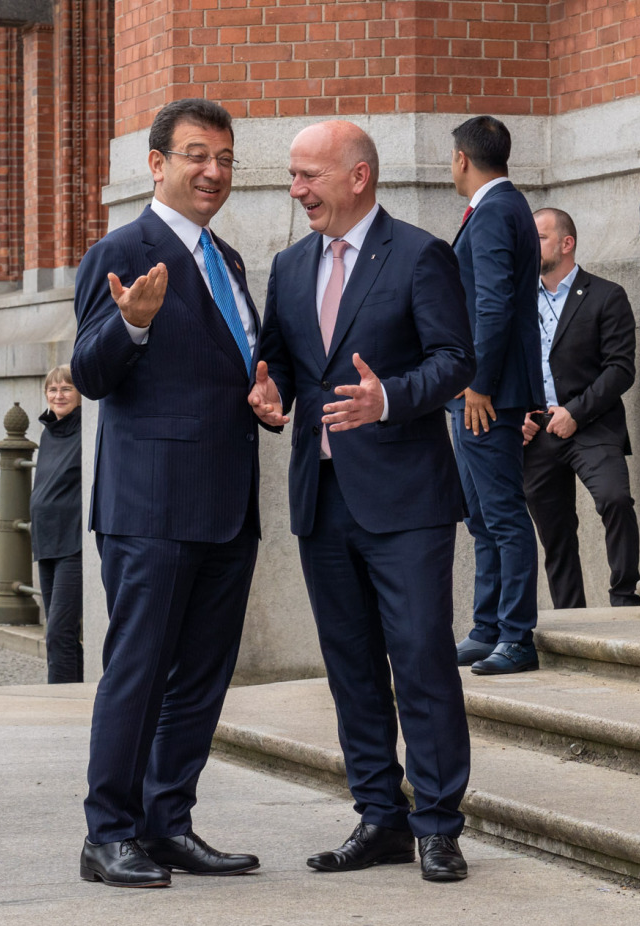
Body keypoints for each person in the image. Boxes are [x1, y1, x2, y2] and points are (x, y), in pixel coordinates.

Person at [253, 121, 475, 882]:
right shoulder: (286, 267)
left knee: (420, 660)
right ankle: (380, 816)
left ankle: (440, 823)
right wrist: (268, 387)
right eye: (292, 175)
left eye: (309, 175)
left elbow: (455, 360)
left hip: (406, 501)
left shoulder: (419, 255)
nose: (296, 190)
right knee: (350, 667)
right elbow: (280, 359)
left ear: (358, 177)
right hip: (323, 500)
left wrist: (391, 399)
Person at [71, 98, 262, 888]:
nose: (212, 172)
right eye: (196, 156)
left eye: (223, 158)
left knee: (202, 676)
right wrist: (132, 326)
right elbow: (88, 373)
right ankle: (107, 834)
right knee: (140, 670)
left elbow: (232, 367)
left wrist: (267, 390)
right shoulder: (122, 248)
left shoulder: (234, 261)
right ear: (157, 164)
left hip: (227, 505)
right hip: (150, 510)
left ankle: (167, 822)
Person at [445, 115, 544, 676]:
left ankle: (516, 635)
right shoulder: (508, 207)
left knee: (502, 515)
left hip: (488, 391)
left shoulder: (493, 212)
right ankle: (487, 628)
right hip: (484, 388)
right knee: (481, 516)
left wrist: (478, 383)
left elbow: (494, 304)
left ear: (462, 158)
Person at [524, 208, 640, 609]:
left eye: (538, 236)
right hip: (536, 433)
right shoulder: (518, 302)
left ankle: (625, 596)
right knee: (555, 534)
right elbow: (508, 367)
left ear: (566, 243)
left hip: (591, 427)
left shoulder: (607, 295)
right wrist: (519, 414)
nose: (529, 244)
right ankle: (569, 614)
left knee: (615, 500)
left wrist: (575, 412)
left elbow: (621, 369)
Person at [30, 365, 82, 684]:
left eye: (66, 389)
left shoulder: (86, 431)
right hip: (46, 541)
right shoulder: (48, 433)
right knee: (62, 633)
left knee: (59, 632)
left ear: (80, 395)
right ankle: (75, 697)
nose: (58, 395)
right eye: (53, 389)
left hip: (73, 543)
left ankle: (58, 705)